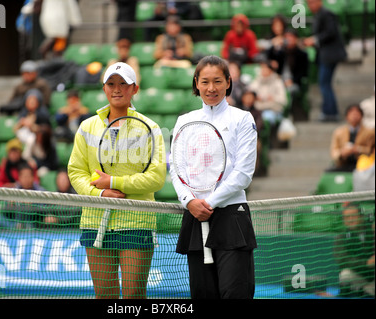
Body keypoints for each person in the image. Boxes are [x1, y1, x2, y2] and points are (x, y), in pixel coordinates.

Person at [67, 62, 166, 299]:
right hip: (94, 222)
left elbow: (156, 178)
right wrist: (100, 194)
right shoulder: (86, 127)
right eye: (111, 84)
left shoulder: (150, 128)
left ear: (135, 89)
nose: (117, 89)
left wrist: (113, 182)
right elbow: (76, 172)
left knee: (133, 295)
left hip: (136, 222)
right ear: (103, 88)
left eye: (123, 84)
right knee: (104, 295)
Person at [169, 55, 257, 299]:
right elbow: (176, 168)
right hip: (194, 215)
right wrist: (189, 201)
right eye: (205, 82)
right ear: (196, 83)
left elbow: (243, 174)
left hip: (231, 216)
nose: (211, 88)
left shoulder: (242, 119)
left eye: (217, 81)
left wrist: (209, 202)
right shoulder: (184, 121)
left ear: (228, 82)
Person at [303, 0, 347, 122]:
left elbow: (331, 32)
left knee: (324, 83)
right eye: (308, 3)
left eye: (312, 2)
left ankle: (330, 113)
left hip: (330, 55)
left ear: (319, 1)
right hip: (324, 55)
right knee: (325, 83)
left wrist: (315, 39)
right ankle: (329, 112)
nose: (310, 6)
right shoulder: (318, 15)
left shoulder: (327, 14)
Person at [334, 203, 374, 298]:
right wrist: (367, 263)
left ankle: (367, 290)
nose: (350, 219)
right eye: (347, 217)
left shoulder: (372, 231)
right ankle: (365, 289)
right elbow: (343, 260)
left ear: (361, 217)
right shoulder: (341, 237)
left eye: (353, 216)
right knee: (345, 275)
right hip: (361, 275)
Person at [248, 60, 288, 139]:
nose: (264, 71)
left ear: (271, 70)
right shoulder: (257, 80)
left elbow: (283, 100)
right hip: (258, 108)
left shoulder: (277, 81)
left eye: (266, 69)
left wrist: (273, 98)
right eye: (262, 69)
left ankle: (267, 140)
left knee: (266, 117)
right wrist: (255, 96)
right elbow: (250, 92)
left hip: (273, 109)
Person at [329, 104, 375, 172]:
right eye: (352, 114)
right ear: (346, 117)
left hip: (363, 164)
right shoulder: (339, 132)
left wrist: (357, 149)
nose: (354, 116)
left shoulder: (370, 133)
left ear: (362, 116)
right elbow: (334, 151)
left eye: (357, 114)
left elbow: (371, 150)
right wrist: (342, 153)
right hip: (344, 162)